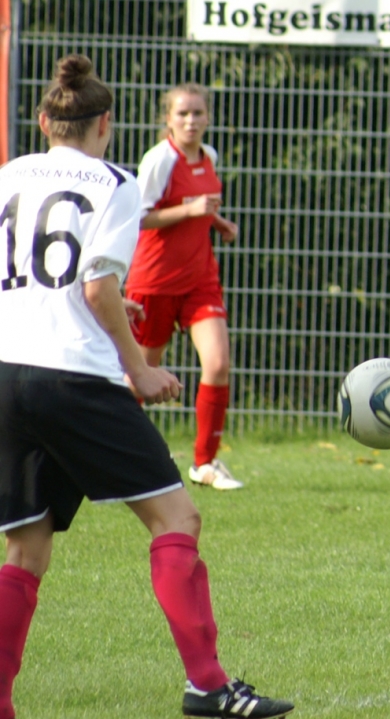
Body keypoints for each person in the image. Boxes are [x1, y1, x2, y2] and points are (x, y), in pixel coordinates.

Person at [0, 54, 293, 719]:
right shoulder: (117, 181)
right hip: (73, 376)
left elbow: (42, 279)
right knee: (177, 518)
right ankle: (208, 685)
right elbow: (98, 285)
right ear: (106, 123)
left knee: (26, 545)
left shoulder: (10, 175)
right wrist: (139, 368)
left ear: (44, 122)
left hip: (8, 374)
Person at [125, 82, 242, 490]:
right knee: (138, 378)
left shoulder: (209, 156)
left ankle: (205, 463)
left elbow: (197, 209)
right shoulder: (160, 159)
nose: (191, 120)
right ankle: (119, 457)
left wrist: (217, 222)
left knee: (218, 363)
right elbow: (138, 217)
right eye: (183, 113)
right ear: (169, 119)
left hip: (199, 280)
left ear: (208, 117)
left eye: (198, 113)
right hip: (155, 282)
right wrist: (191, 210)